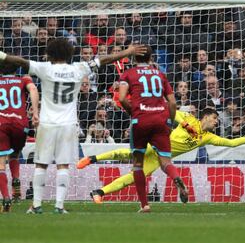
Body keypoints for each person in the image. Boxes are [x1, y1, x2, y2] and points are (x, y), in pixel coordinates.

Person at [0, 38, 146, 214]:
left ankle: (36, 205)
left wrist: (2, 55)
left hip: (47, 123)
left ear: (50, 54)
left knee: (41, 164)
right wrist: (128, 52)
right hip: (68, 124)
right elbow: (105, 59)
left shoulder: (44, 68)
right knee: (63, 165)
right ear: (70, 54)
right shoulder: (78, 68)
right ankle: (59, 206)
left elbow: (19, 61)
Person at [77, 108, 245, 203]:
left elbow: (230, 143)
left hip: (163, 157)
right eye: (215, 119)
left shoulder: (208, 137)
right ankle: (92, 159)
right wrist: (183, 123)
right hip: (156, 144)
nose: (216, 123)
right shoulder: (189, 118)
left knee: (135, 177)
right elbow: (170, 111)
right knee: (127, 154)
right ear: (206, 117)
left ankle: (99, 192)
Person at [117, 44, 179, 213]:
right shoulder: (160, 74)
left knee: (138, 164)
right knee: (165, 161)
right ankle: (177, 178)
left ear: (133, 57)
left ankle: (144, 205)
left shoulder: (128, 74)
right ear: (151, 58)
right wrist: (169, 122)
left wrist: (133, 112)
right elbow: (172, 102)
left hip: (141, 121)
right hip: (161, 120)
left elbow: (122, 98)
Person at [0, 62, 39, 212]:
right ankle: (16, 178)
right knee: (15, 153)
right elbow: (34, 89)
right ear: (16, 69)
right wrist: (35, 113)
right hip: (20, 124)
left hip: (1, 124)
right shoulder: (24, 80)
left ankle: (6, 198)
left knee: (1, 164)